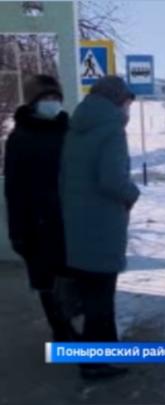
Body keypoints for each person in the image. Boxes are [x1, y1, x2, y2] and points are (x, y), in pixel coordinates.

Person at [60, 76, 140, 380]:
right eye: (127, 103)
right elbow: (112, 179)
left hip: (77, 224)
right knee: (100, 301)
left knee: (89, 294)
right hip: (102, 226)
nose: (128, 109)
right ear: (117, 101)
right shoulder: (112, 130)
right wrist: (133, 194)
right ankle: (96, 363)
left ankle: (93, 355)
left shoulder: (76, 126)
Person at [4, 74, 76, 342]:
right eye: (46, 98)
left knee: (70, 277)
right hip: (37, 223)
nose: (52, 103)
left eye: (56, 98)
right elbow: (13, 189)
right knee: (47, 281)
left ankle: (70, 326)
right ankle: (62, 332)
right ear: (33, 102)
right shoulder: (20, 137)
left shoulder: (67, 130)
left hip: (69, 219)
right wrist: (17, 232)